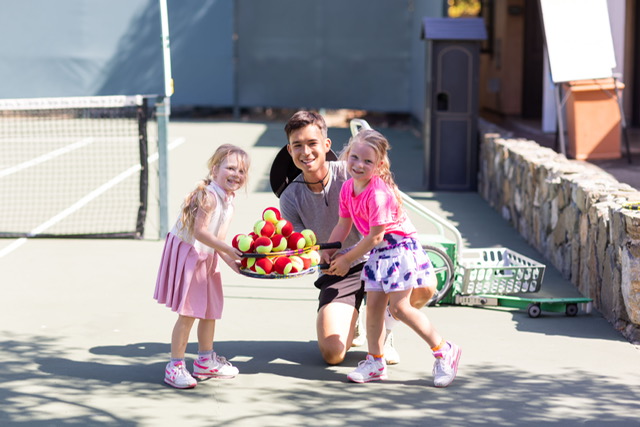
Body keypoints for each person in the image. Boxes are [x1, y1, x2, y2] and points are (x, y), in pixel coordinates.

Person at [278, 111, 435, 366]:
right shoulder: (290, 198)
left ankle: (385, 330)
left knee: (426, 288)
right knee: (333, 354)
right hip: (340, 269)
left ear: (326, 145)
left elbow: (390, 216)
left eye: (312, 143)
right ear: (289, 150)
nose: (305, 152)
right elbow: (304, 244)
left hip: (381, 257)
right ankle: (357, 326)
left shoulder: (356, 168)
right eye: (298, 145)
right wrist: (322, 255)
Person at [322, 128, 461, 387]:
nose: (358, 165)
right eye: (354, 157)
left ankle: (444, 350)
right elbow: (343, 225)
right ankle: (375, 361)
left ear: (379, 164)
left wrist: (345, 259)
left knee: (399, 308)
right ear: (347, 156)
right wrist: (328, 250)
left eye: (367, 161)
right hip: (378, 253)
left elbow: (375, 236)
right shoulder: (347, 188)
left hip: (399, 250)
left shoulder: (378, 194)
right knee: (373, 309)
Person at [154, 144, 250, 389]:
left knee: (210, 309)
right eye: (230, 168)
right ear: (215, 169)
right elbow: (200, 232)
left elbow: (219, 241)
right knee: (189, 312)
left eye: (241, 171)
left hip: (207, 257)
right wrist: (228, 251)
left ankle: (205, 360)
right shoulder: (207, 196)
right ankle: (175, 366)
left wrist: (234, 263)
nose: (236, 174)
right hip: (191, 256)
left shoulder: (229, 201)